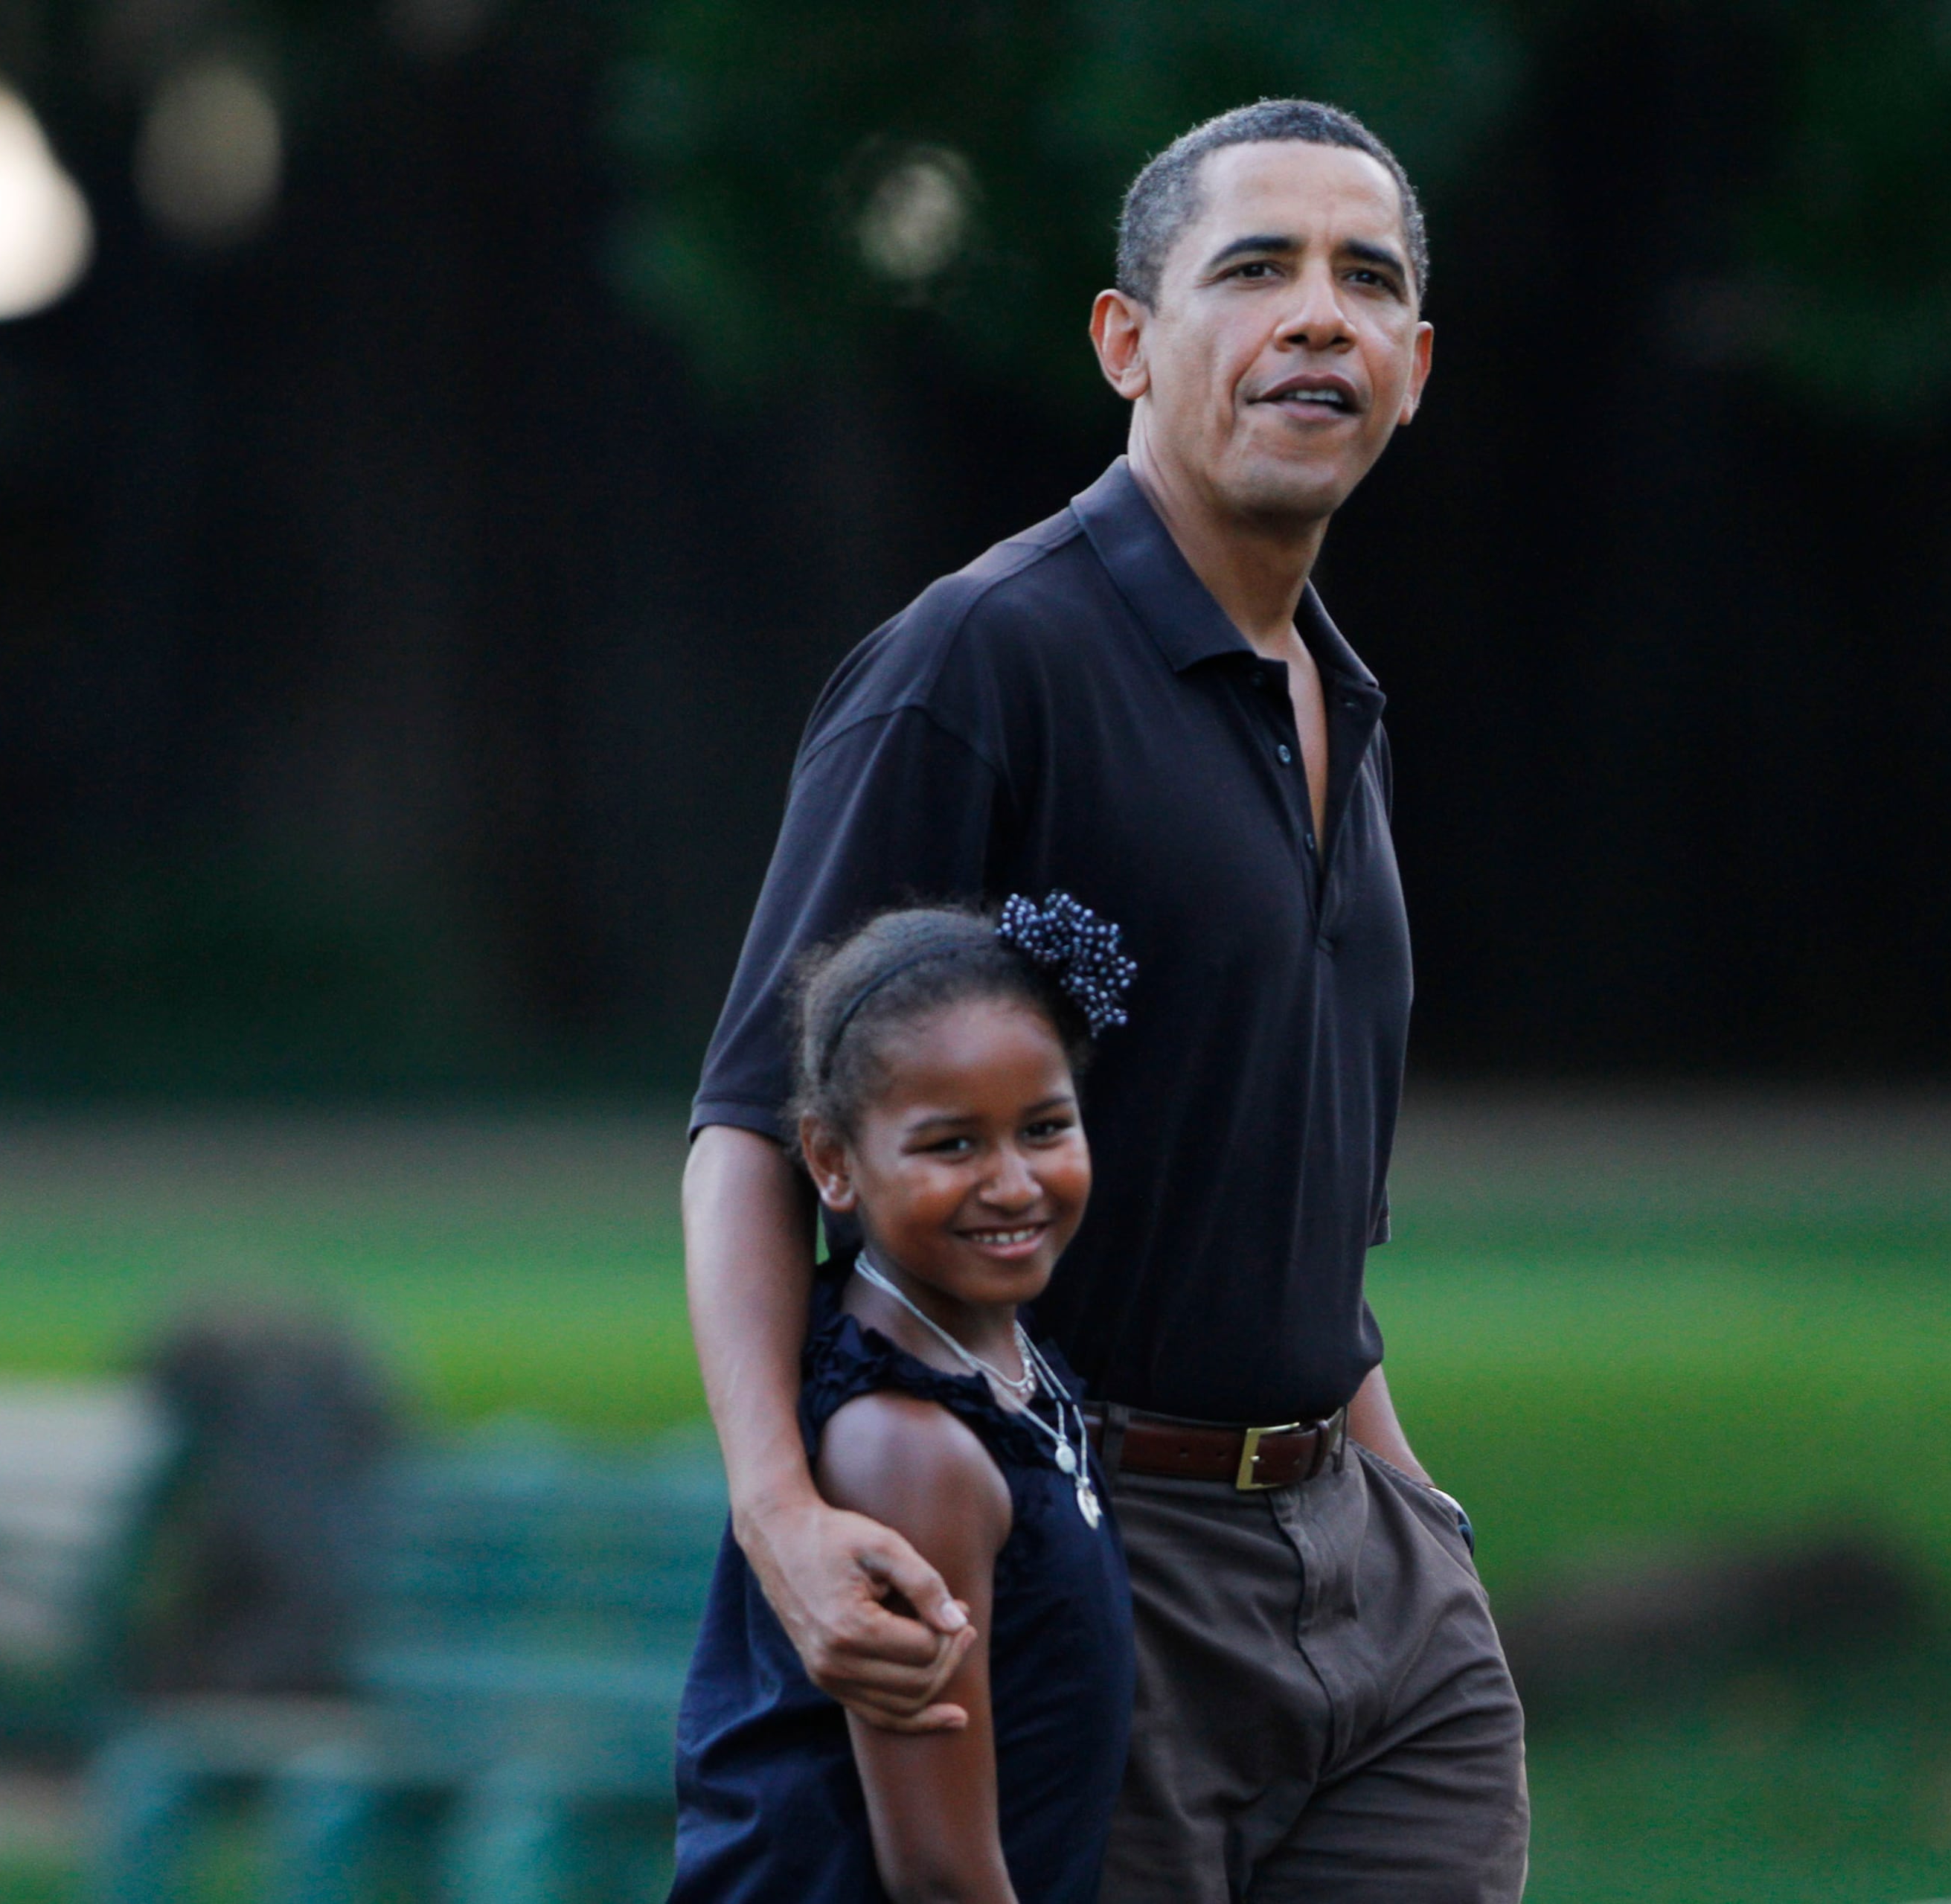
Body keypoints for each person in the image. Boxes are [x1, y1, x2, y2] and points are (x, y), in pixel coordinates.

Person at [682, 98, 1528, 1903]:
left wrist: (1404, 1504)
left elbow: (1293, 1183)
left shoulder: (1337, 701)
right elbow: (757, 1120)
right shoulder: (983, 661)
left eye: (1366, 281)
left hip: (1371, 1583)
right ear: (1127, 341)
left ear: (1417, 365)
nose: (1321, 317)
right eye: (1256, 270)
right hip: (1090, 1549)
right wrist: (783, 1513)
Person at [673, 897, 1138, 1904]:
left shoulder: (1010, 1366)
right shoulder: (908, 1448)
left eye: (1045, 1128)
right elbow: (936, 1870)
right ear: (834, 1162)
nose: (1013, 1183)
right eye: (952, 1146)